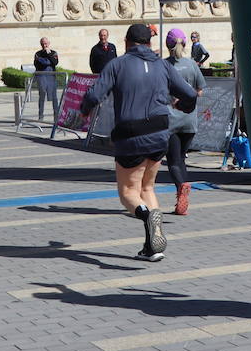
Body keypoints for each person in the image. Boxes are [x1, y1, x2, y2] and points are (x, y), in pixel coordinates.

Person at [80, 24, 197, 261]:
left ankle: (146, 216)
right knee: (148, 188)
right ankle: (153, 247)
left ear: (126, 41)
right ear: (150, 43)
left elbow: (94, 95)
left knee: (128, 193)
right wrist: (183, 107)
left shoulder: (118, 64)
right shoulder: (162, 64)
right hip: (159, 132)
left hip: (130, 133)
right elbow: (191, 95)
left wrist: (84, 111)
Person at [162, 28, 206, 215]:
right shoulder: (191, 65)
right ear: (186, 43)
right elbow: (200, 90)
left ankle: (181, 186)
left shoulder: (162, 65)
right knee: (181, 158)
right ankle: (182, 195)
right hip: (189, 119)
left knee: (172, 161)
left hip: (170, 119)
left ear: (167, 45)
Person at [33, 37, 60, 118]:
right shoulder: (38, 53)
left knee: (54, 97)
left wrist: (48, 55)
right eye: (42, 44)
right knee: (42, 95)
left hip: (51, 78)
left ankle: (56, 115)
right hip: (41, 78)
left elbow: (55, 62)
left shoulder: (53, 53)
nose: (44, 45)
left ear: (49, 43)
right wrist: (46, 61)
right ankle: (40, 114)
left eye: (46, 43)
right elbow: (37, 64)